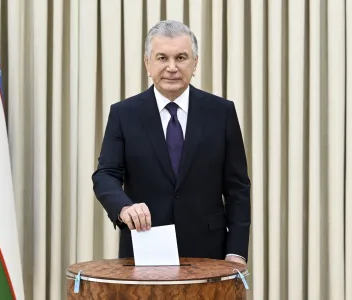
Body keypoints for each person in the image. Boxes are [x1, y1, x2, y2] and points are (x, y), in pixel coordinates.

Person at [92, 20, 251, 265]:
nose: (172, 67)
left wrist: (236, 252)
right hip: (144, 247)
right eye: (162, 58)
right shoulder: (124, 114)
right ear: (148, 63)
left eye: (181, 57)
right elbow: (105, 175)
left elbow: (237, 187)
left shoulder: (221, 112)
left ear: (195, 63)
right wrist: (124, 208)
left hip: (209, 253)